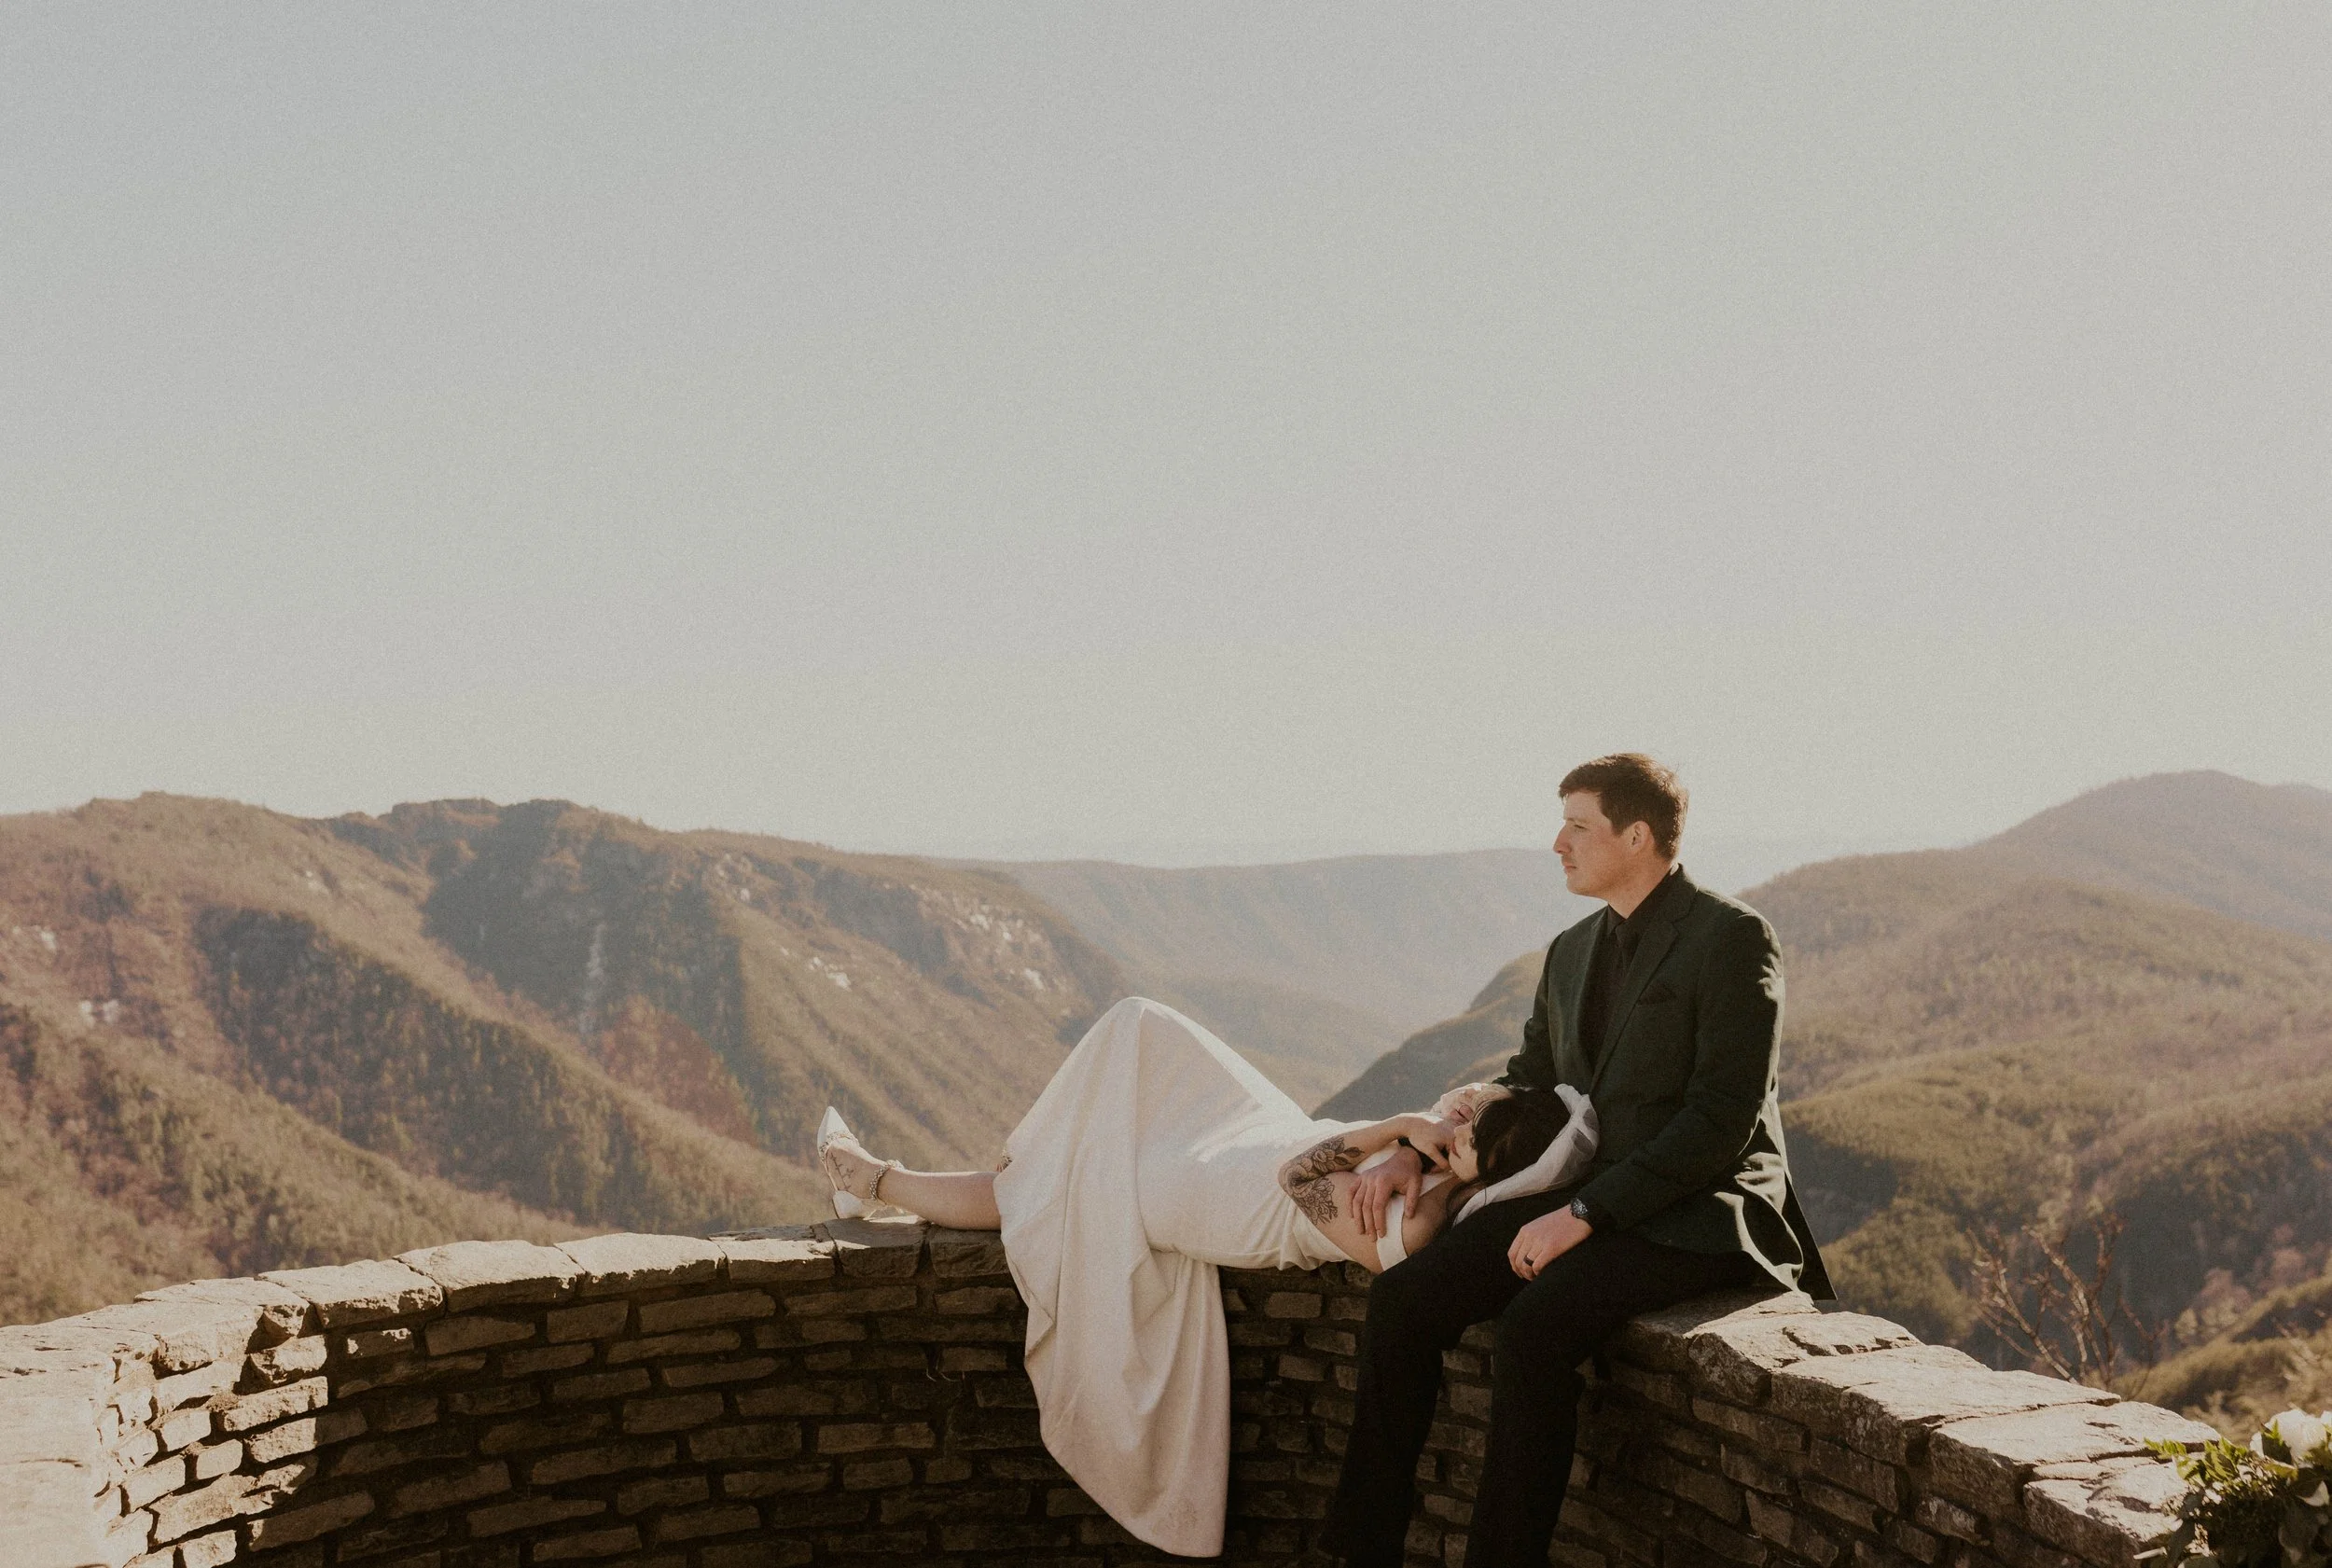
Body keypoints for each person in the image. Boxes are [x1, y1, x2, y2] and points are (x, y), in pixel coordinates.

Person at [815, 998, 1583, 1557]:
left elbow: (1294, 1179)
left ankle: (871, 1178)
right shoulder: (1435, 1157)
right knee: (1138, 1022)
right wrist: (1414, 1145)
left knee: (1051, 1191)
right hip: (1261, 1139)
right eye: (1476, 1101)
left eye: (1466, 1129)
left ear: (1477, 1172)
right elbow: (1411, 1137)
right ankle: (944, 1168)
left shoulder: (1410, 1224)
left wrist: (1396, 1131)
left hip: (1223, 1193)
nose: (1458, 1108)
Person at [1325, 754, 1834, 1568]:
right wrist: (1412, 1149)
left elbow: (1719, 1120)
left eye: (1577, 825)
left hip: (1702, 1208)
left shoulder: (1731, 938)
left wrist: (1584, 1214)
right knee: (1403, 1300)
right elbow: (1528, 1080)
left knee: (1534, 1330)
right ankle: (1362, 1551)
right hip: (1584, 1194)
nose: (1557, 842)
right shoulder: (1569, 951)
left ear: (1637, 836)